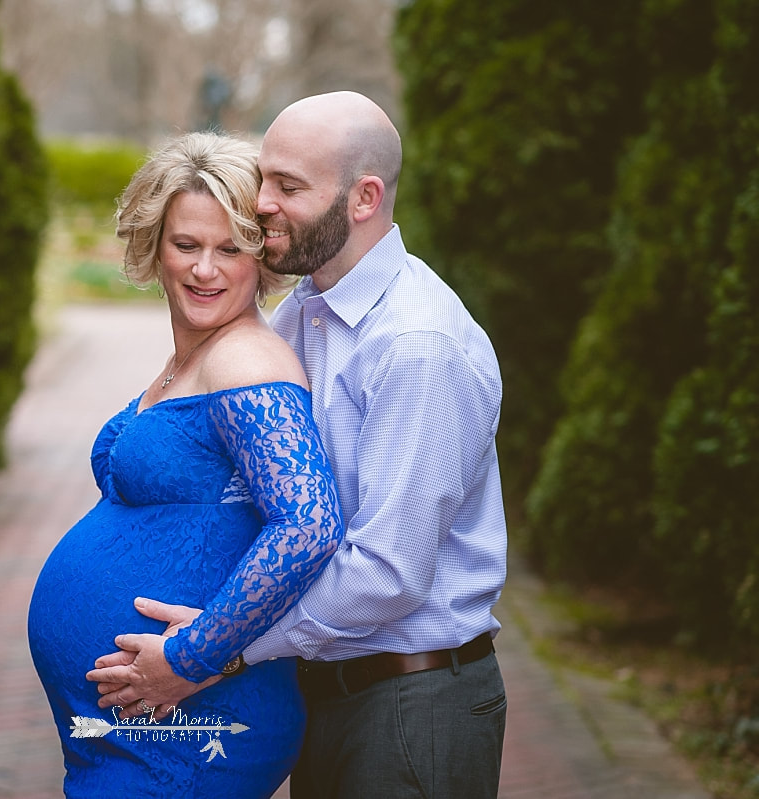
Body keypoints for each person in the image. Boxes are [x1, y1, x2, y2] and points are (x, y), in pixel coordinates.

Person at [89, 91, 509, 798]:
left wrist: (219, 649)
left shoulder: (416, 344)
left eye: (288, 187)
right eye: (266, 180)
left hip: (413, 702)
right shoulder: (304, 315)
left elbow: (388, 570)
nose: (263, 205)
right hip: (327, 693)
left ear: (364, 198)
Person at [27, 131, 346, 797]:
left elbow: (309, 523)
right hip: (134, 729)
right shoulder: (192, 360)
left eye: (231, 248)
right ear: (155, 246)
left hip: (194, 724)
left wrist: (191, 654)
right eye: (187, 244)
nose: (206, 268)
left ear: (261, 258)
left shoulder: (245, 359)